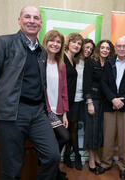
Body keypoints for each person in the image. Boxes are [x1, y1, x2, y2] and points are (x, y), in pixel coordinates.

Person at [0, 6, 60, 179]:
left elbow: (41, 85)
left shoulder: (43, 52)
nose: (31, 21)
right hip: (10, 113)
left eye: (36, 18)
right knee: (11, 169)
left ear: (41, 23)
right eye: (27, 17)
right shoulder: (2, 43)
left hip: (37, 113)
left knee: (53, 156)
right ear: (19, 20)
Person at [98, 38, 125, 179]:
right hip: (110, 106)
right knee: (108, 138)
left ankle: (123, 166)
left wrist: (123, 100)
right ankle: (106, 163)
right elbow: (103, 83)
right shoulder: (109, 63)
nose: (122, 48)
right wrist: (113, 99)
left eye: (124, 46)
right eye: (119, 46)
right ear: (115, 48)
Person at [83, 40, 115, 174]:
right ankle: (91, 158)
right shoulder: (91, 62)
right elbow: (86, 82)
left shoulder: (110, 63)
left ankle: (96, 155)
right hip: (93, 100)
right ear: (98, 49)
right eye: (102, 47)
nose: (105, 50)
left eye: (107, 48)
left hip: (105, 101)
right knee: (91, 129)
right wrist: (89, 102)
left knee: (99, 130)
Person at [42, 30, 70, 179]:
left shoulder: (61, 65)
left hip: (58, 109)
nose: (55, 44)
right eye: (52, 41)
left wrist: (64, 113)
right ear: (46, 42)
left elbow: (64, 89)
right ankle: (51, 169)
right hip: (44, 111)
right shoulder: (39, 62)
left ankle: (52, 170)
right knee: (63, 137)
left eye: (58, 42)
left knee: (60, 139)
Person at [63, 32, 84, 170]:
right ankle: (76, 155)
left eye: (79, 43)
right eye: (74, 42)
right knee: (65, 133)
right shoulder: (62, 58)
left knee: (73, 129)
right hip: (63, 103)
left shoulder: (73, 59)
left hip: (73, 101)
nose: (76, 45)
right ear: (68, 42)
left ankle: (69, 156)